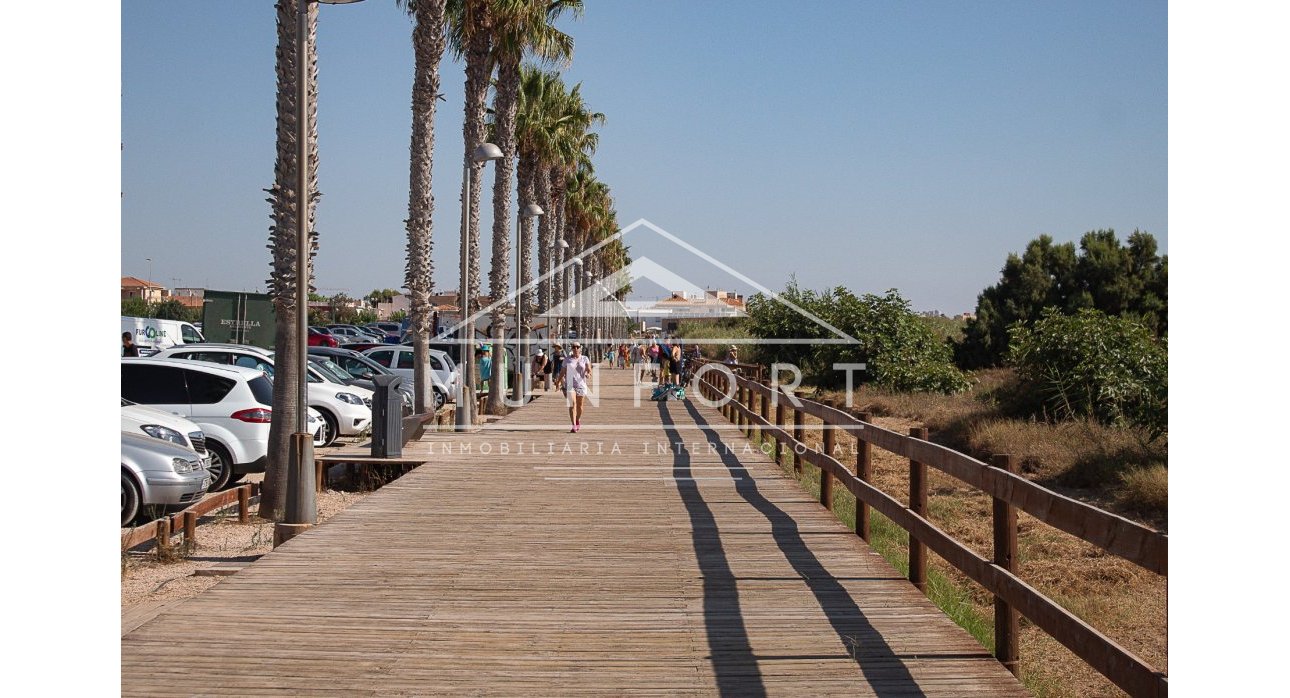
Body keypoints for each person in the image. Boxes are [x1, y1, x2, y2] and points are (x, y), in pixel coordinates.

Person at [558, 342, 592, 432]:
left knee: (580, 406)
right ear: (572, 348)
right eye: (574, 347)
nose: (575, 348)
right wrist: (558, 382)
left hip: (581, 385)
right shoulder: (567, 359)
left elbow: (589, 370)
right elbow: (562, 372)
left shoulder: (585, 358)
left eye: (577, 347)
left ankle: (577, 420)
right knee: (572, 404)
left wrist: (588, 374)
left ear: (580, 348)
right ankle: (573, 425)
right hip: (570, 385)